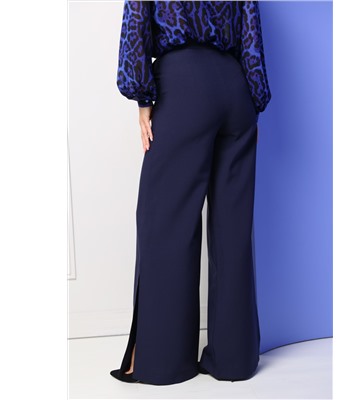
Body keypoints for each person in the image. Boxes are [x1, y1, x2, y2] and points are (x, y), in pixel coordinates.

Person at [110, 0, 272, 386]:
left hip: (182, 87)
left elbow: (137, 20)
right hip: (237, 89)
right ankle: (234, 360)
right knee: (233, 230)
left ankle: (162, 362)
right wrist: (253, 102)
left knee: (166, 222)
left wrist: (143, 97)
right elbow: (250, 32)